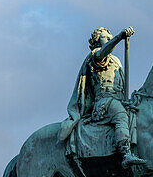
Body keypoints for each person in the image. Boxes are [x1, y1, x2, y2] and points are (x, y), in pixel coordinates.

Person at [63, 26, 146, 168]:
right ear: (97, 42)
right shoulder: (96, 55)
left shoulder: (116, 61)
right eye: (104, 37)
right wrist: (119, 37)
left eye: (110, 37)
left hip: (119, 99)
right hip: (104, 102)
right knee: (120, 115)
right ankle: (125, 154)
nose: (108, 38)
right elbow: (104, 52)